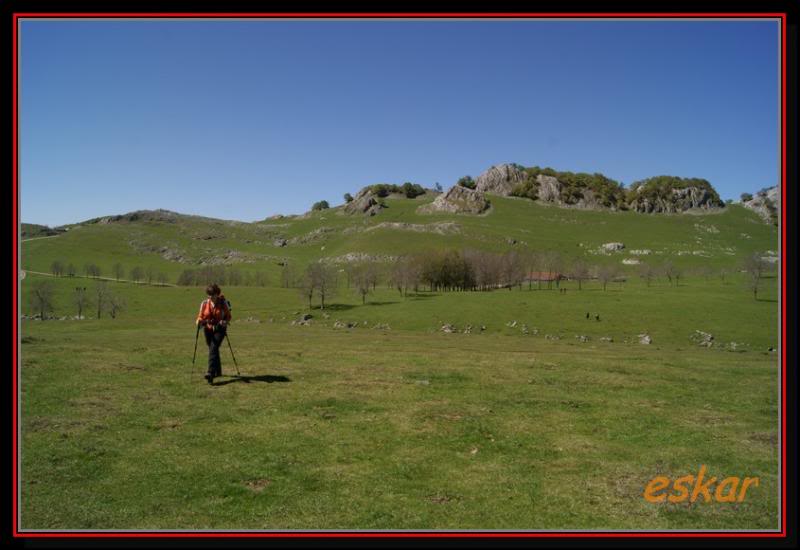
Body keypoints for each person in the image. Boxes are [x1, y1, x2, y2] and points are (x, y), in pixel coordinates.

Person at [196, 283, 232, 383]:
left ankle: (210, 372)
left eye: (212, 294)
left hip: (220, 329)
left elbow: (228, 316)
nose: (210, 297)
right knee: (213, 349)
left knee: (213, 347)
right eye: (209, 294)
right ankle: (218, 370)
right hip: (207, 329)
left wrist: (224, 321)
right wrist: (198, 321)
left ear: (217, 294)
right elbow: (200, 316)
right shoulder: (204, 304)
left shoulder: (223, 303)